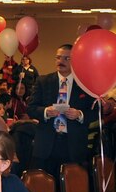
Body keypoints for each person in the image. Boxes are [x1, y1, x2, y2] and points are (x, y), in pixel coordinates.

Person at [27, 44, 94, 179]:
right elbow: (31, 108)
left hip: (73, 145)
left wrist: (79, 114)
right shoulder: (43, 81)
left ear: (74, 61)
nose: (60, 61)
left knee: (71, 190)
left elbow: (96, 111)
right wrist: (46, 111)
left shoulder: (84, 84)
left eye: (66, 58)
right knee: (43, 190)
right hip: (46, 145)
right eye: (58, 57)